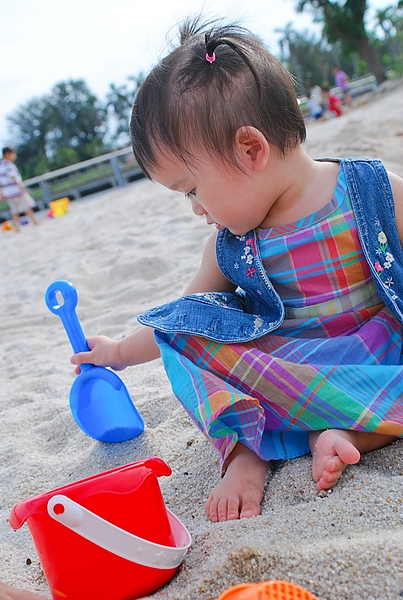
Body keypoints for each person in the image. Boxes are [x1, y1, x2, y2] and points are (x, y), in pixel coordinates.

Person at [67, 18, 403, 525]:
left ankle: (342, 436)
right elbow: (185, 319)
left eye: (191, 189)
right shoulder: (232, 247)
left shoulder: (371, 191)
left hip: (379, 356)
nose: (195, 208)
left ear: (251, 150)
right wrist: (118, 352)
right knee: (188, 344)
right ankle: (247, 456)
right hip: (289, 374)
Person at [0, 147, 39, 231]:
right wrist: (20, 186)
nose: (14, 156)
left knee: (14, 210)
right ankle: (34, 221)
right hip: (15, 189)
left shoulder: (0, 165)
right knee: (26, 205)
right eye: (13, 154)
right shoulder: (8, 165)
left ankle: (17, 227)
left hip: (7, 192)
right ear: (8, 154)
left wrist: (1, 193)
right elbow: (13, 176)